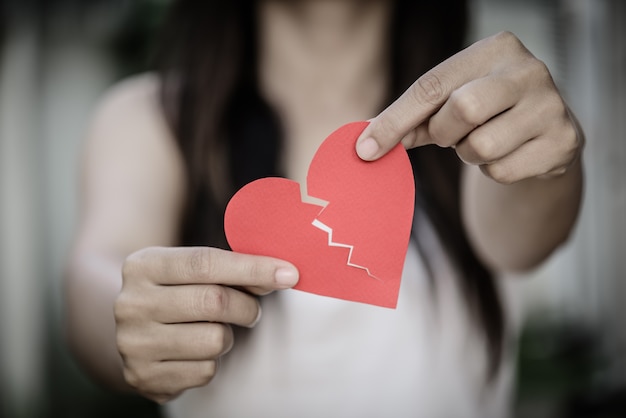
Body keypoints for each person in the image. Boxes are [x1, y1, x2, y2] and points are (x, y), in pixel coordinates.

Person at [64, 0, 584, 417]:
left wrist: (550, 162)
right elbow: (100, 272)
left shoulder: (480, 118)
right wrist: (129, 316)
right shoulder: (152, 121)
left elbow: (529, 234)